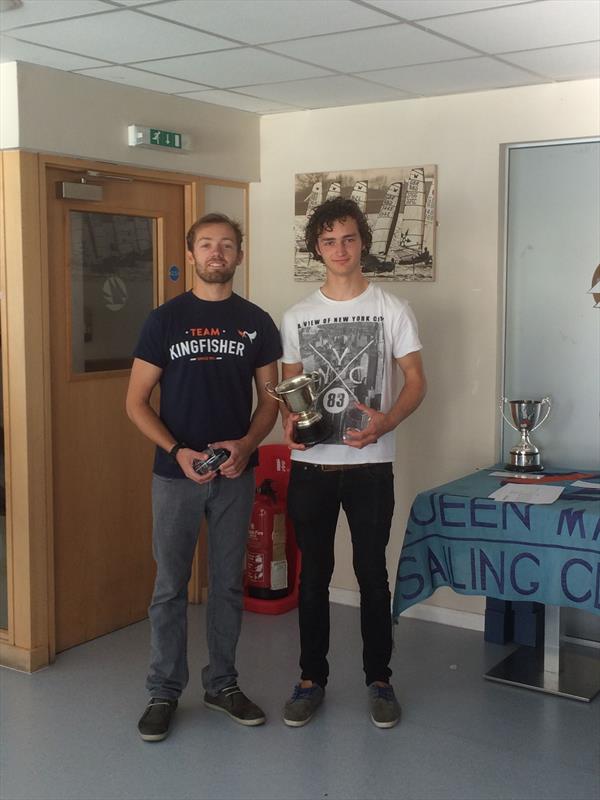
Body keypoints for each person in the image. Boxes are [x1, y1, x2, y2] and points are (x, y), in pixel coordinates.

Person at [126, 213, 282, 741]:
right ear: (190, 253)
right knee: (169, 588)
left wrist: (245, 445)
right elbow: (136, 402)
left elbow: (271, 402)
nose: (217, 253)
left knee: (227, 587)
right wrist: (179, 451)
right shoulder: (163, 321)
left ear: (240, 255)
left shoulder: (257, 322)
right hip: (175, 476)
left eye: (227, 245)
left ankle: (222, 684)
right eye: (207, 245)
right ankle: (163, 691)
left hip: (236, 473)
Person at [280, 197, 426, 729]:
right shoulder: (296, 315)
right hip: (313, 468)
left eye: (347, 238)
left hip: (370, 468)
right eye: (327, 241)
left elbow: (416, 383)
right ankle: (310, 679)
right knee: (313, 576)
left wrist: (386, 422)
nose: (339, 250)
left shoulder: (393, 308)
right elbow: (290, 394)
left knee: (371, 575)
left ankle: (379, 679)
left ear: (362, 242)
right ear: (316, 248)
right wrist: (288, 428)